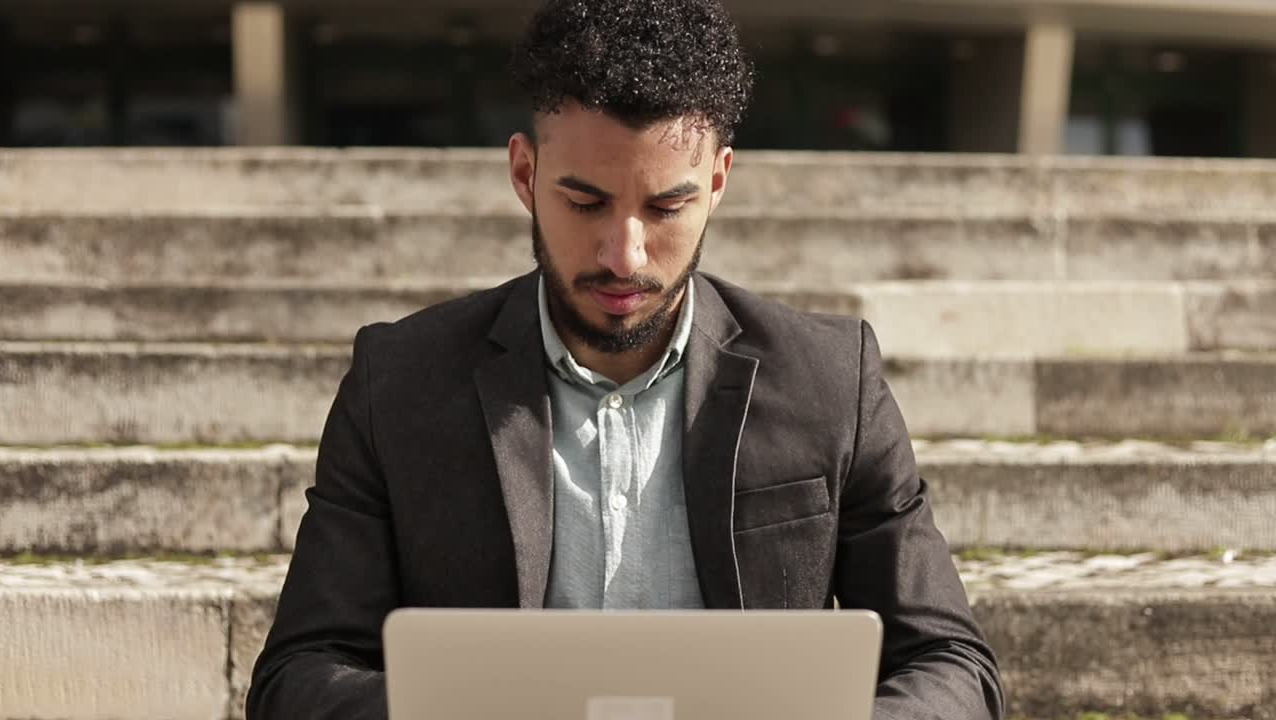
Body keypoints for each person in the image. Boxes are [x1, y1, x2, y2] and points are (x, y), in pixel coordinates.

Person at [246, 0, 1004, 718]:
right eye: (585, 203)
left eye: (666, 208)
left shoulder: (831, 380)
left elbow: (951, 665)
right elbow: (299, 674)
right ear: (524, 175)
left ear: (717, 182)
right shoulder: (399, 381)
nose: (624, 255)